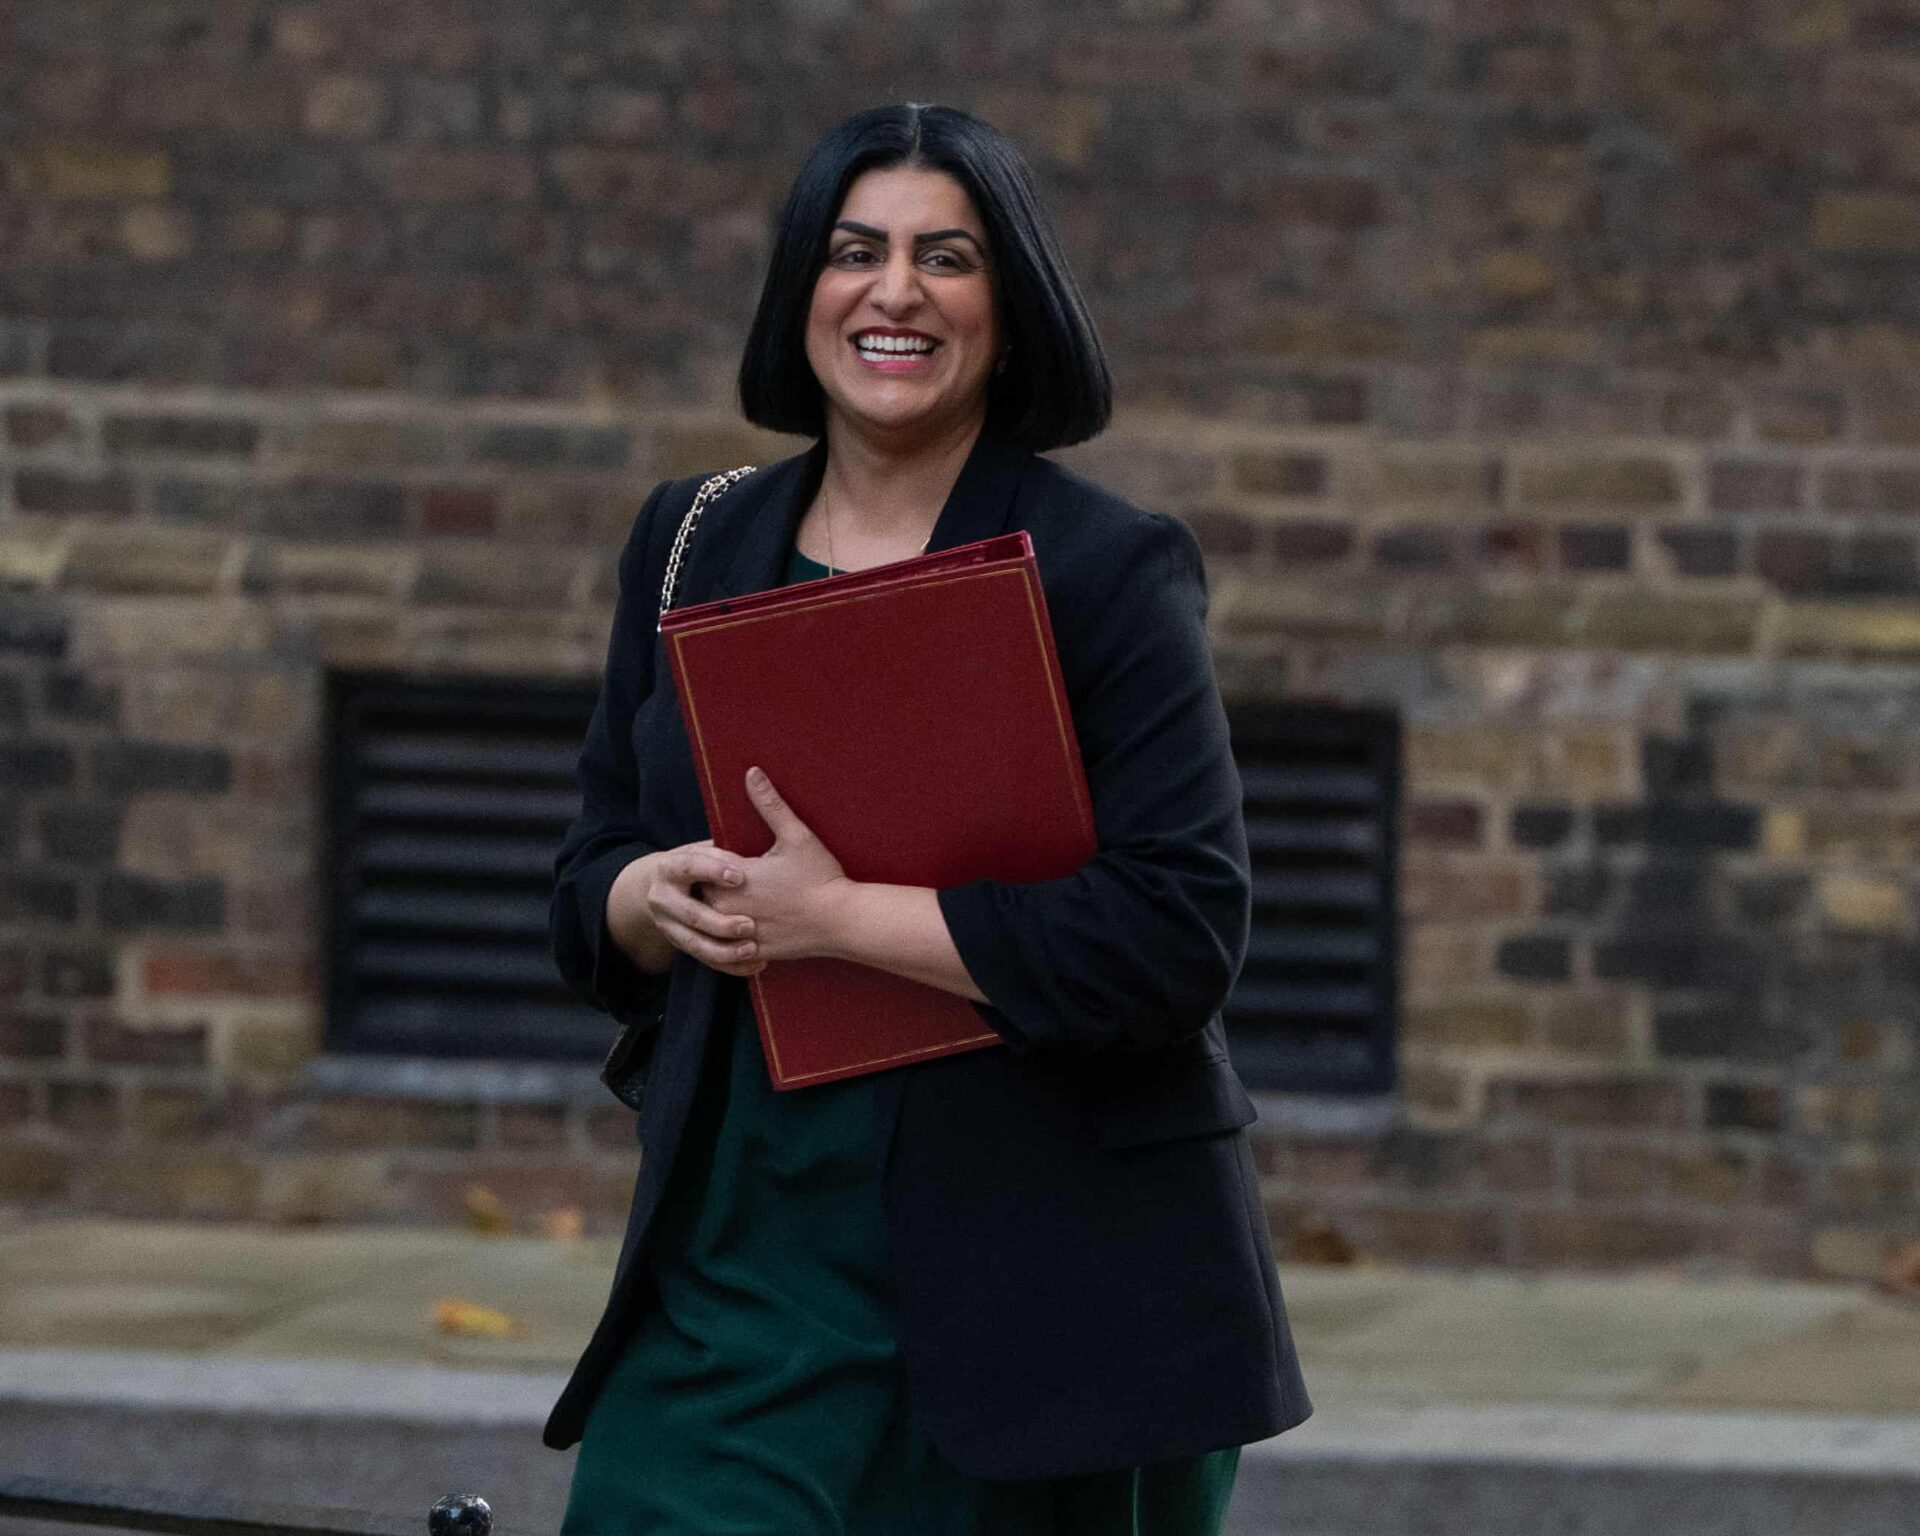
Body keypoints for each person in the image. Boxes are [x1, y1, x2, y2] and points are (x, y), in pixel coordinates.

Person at [548, 102, 1312, 1535]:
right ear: (803, 292)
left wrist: (834, 920)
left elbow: (1175, 934)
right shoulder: (694, 538)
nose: (894, 290)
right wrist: (648, 898)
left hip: (1048, 1289)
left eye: (945, 258)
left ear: (1009, 314)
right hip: (742, 1265)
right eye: (856, 251)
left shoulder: (1110, 570)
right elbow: (587, 863)